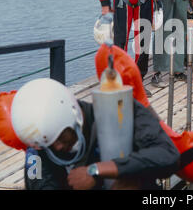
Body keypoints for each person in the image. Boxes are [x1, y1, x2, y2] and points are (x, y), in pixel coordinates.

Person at [18, 78, 180, 190]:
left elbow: (167, 155)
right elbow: (39, 181)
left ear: (72, 115)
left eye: (60, 137)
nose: (57, 146)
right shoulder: (38, 149)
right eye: (50, 143)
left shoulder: (121, 112)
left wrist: (98, 170)